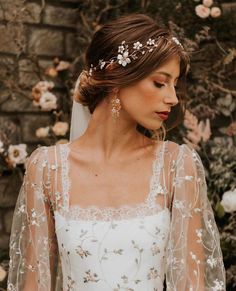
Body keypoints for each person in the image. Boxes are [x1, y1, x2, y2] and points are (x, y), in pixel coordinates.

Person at [7, 14, 226, 291]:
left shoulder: (176, 165)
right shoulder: (48, 169)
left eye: (174, 84)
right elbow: (34, 285)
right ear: (114, 77)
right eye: (160, 83)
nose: (173, 98)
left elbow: (192, 285)